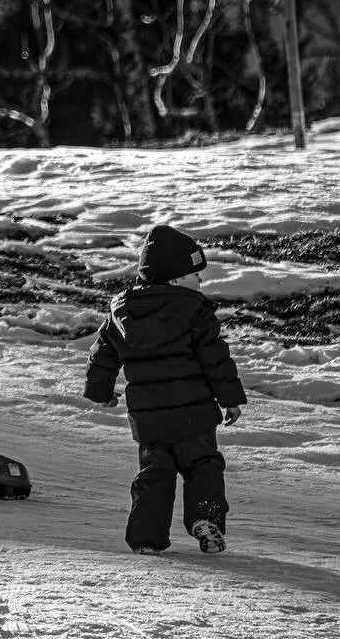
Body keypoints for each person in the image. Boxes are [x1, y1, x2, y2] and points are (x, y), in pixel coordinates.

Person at [84, 224, 247, 555]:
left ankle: (146, 538)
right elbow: (216, 361)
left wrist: (101, 393)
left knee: (154, 475)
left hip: (149, 421)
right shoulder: (196, 312)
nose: (200, 281)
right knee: (204, 465)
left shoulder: (122, 311)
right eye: (195, 274)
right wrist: (230, 401)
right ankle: (205, 517)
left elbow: (102, 355)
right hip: (194, 416)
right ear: (174, 279)